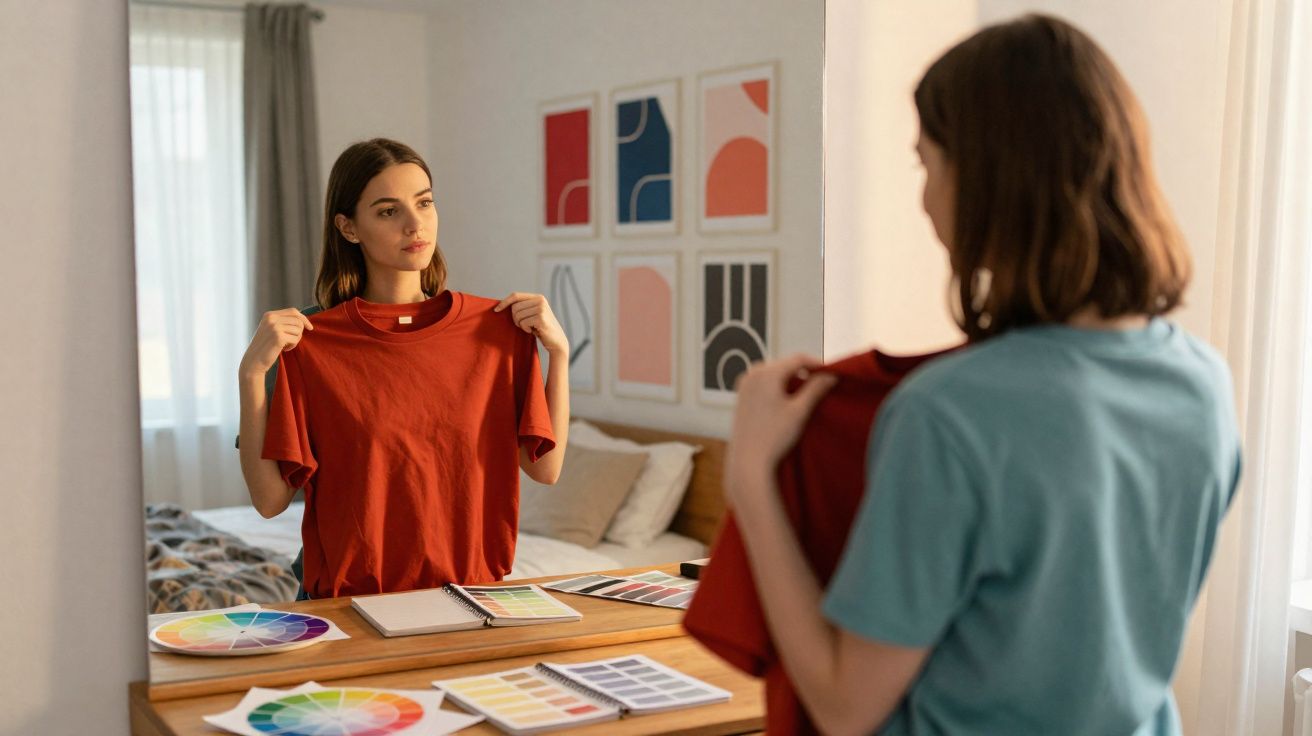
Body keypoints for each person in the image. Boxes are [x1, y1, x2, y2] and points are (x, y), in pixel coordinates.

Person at [723, 14, 1240, 736]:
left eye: (926, 163)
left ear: (991, 178)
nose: (925, 196)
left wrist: (751, 480)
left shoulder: (948, 413)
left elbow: (844, 706)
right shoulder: (1205, 383)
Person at [237, 138, 570, 600]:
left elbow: (546, 468)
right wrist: (251, 374)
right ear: (349, 228)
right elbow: (270, 501)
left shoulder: (493, 335)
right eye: (388, 211)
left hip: (469, 600)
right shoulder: (307, 341)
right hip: (347, 603)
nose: (416, 225)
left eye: (425, 203)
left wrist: (559, 354)